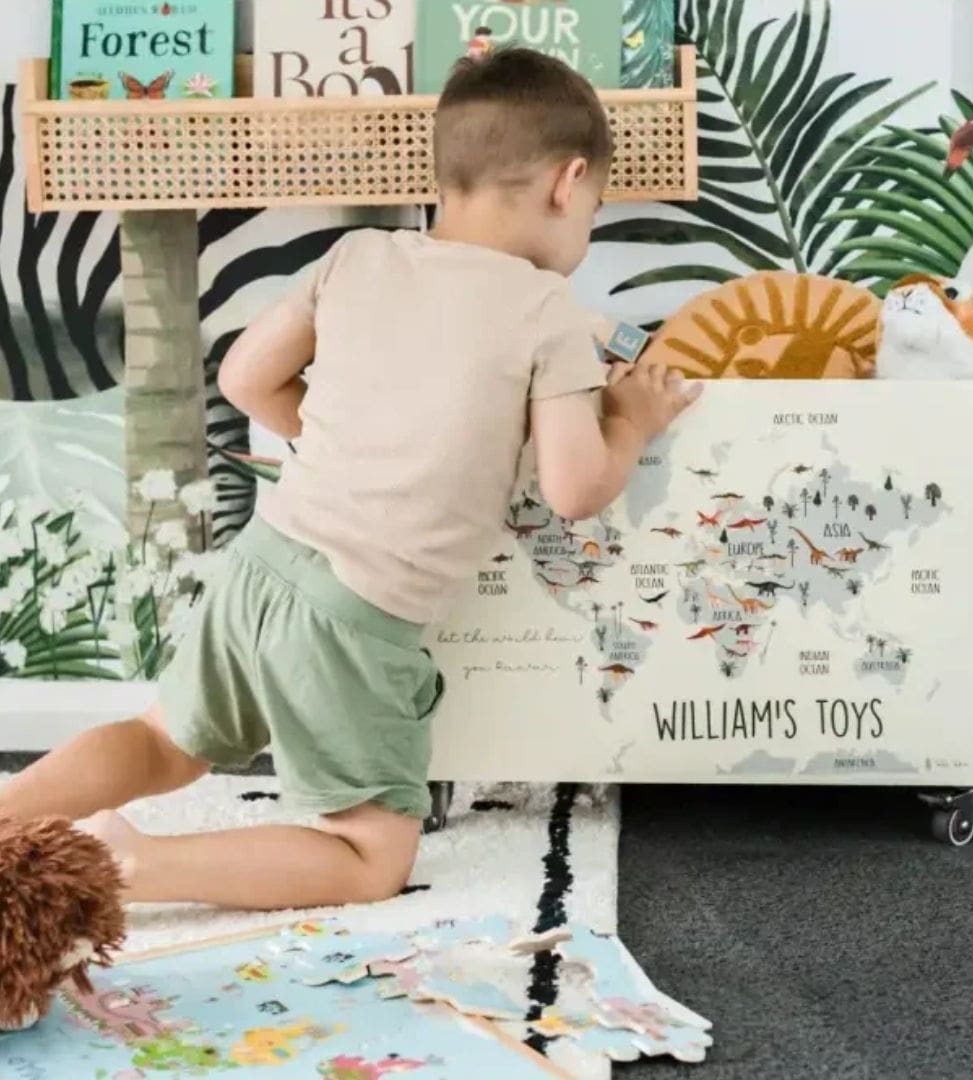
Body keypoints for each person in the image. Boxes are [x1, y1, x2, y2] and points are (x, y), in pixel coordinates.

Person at [0, 49, 700, 911]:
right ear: (570, 182)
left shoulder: (357, 256)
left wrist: (356, 447)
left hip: (262, 559)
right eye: (594, 210)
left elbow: (245, 382)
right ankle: (131, 863)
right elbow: (573, 488)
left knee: (162, 743)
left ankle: (7, 818)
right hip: (352, 615)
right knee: (371, 856)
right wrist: (628, 421)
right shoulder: (546, 311)